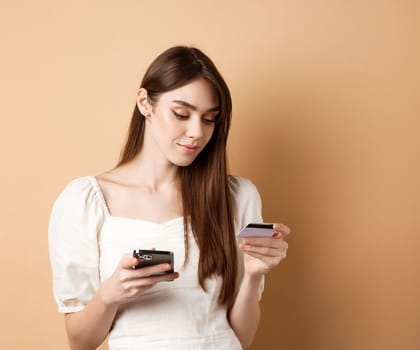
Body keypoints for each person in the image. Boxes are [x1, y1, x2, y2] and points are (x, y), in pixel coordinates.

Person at [48, 46, 291, 350]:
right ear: (145, 103)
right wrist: (111, 293)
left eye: (209, 119)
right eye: (181, 114)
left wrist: (254, 274)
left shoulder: (237, 196)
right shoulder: (84, 201)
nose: (196, 133)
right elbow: (80, 342)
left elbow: (240, 338)